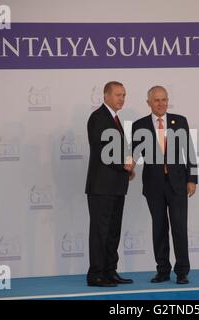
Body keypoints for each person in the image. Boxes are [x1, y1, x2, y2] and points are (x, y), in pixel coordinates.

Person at [132, 86, 197, 285]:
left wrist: (192, 179)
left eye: (164, 99)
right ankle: (162, 270)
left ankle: (182, 271)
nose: (161, 104)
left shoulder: (180, 121)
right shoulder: (139, 125)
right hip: (154, 186)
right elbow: (132, 153)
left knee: (179, 228)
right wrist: (128, 169)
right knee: (159, 228)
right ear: (148, 103)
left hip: (178, 185)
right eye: (157, 100)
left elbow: (190, 151)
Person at [85, 81, 135, 287]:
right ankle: (96, 275)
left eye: (124, 95)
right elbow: (102, 150)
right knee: (100, 232)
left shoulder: (114, 118)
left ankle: (110, 272)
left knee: (113, 231)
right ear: (105, 96)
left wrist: (128, 169)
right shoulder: (98, 117)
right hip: (101, 188)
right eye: (117, 95)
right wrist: (123, 164)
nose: (121, 98)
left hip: (116, 186)